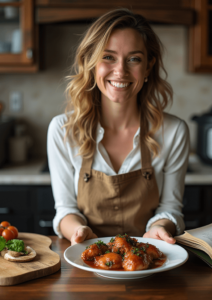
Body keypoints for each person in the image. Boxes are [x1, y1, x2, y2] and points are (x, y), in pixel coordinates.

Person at [47, 8, 190, 246]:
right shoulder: (62, 130)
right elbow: (65, 210)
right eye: (108, 57)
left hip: (148, 257)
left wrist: (159, 228)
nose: (120, 70)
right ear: (91, 63)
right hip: (87, 257)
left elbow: (171, 208)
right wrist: (79, 231)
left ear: (148, 67)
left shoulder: (174, 132)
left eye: (134, 59)